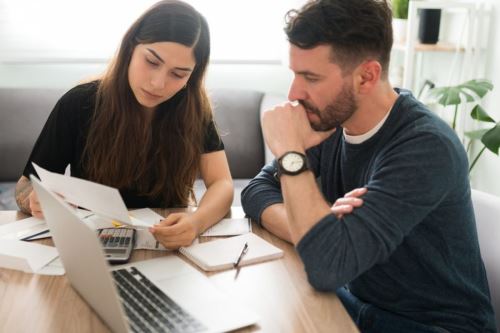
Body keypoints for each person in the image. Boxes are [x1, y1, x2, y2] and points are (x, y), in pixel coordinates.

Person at [241, 0, 497, 332]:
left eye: (311, 77)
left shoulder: (426, 146)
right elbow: (256, 191)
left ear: (366, 76)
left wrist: (291, 153)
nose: (293, 92)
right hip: (358, 304)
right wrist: (318, 232)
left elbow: (327, 266)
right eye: (294, 74)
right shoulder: (331, 122)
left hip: (432, 325)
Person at [15, 0, 233, 250]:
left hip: (165, 245)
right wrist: (35, 199)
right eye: (152, 62)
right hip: (94, 245)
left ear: (192, 76)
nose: (158, 83)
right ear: (130, 48)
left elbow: (222, 184)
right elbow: (25, 185)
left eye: (178, 74)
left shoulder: (194, 110)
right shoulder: (79, 103)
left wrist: (195, 223)